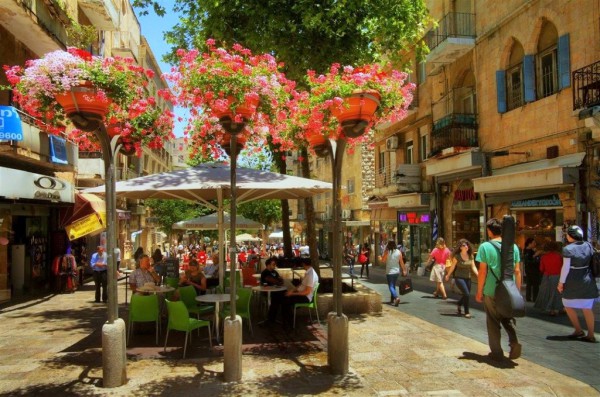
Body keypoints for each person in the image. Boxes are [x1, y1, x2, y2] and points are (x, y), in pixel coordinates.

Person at [475, 218, 522, 361]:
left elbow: (482, 272)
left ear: (489, 231)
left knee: (493, 321)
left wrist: (479, 291)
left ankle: (496, 352)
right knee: (507, 317)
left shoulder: (485, 247)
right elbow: (517, 271)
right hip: (509, 288)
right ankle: (514, 341)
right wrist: (517, 291)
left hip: (491, 288)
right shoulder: (513, 247)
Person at [557, 225, 599, 342]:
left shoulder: (568, 249)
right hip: (587, 280)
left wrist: (561, 283)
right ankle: (591, 334)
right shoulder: (588, 245)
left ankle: (578, 329)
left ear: (570, 236)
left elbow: (565, 268)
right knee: (587, 308)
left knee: (567, 304)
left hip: (572, 281)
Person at [280, 258, 319, 329]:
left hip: (306, 297)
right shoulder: (308, 272)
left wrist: (292, 294)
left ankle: (289, 323)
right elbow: (301, 285)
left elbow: (307, 292)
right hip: (301, 294)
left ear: (303, 264)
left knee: (285, 300)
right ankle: (287, 321)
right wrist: (292, 290)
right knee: (284, 296)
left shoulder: (311, 275)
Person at [445, 239, 478, 318]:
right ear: (460, 247)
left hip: (468, 277)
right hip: (459, 277)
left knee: (466, 294)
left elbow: (473, 267)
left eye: (467, 245)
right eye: (463, 245)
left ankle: (459, 304)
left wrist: (478, 274)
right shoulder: (457, 256)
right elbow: (453, 267)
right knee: (466, 294)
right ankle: (467, 312)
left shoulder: (471, 255)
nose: (466, 246)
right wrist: (448, 275)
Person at [534, 241, 563, 316]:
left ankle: (548, 308)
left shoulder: (544, 257)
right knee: (556, 293)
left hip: (546, 276)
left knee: (546, 292)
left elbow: (541, 269)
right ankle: (556, 308)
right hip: (557, 276)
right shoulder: (559, 256)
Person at [378, 240, 407, 306]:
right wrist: (404, 270)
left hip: (390, 272)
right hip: (396, 271)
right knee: (393, 285)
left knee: (391, 286)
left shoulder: (387, 252)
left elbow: (383, 260)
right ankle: (392, 299)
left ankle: (396, 297)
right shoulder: (399, 252)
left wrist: (380, 258)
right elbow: (401, 262)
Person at [523, 238, 542, 302]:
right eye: (533, 243)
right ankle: (534, 298)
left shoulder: (529, 250)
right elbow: (529, 260)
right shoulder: (528, 251)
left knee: (530, 284)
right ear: (529, 243)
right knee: (534, 285)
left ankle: (530, 297)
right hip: (533, 270)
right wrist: (535, 255)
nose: (535, 244)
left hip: (530, 270)